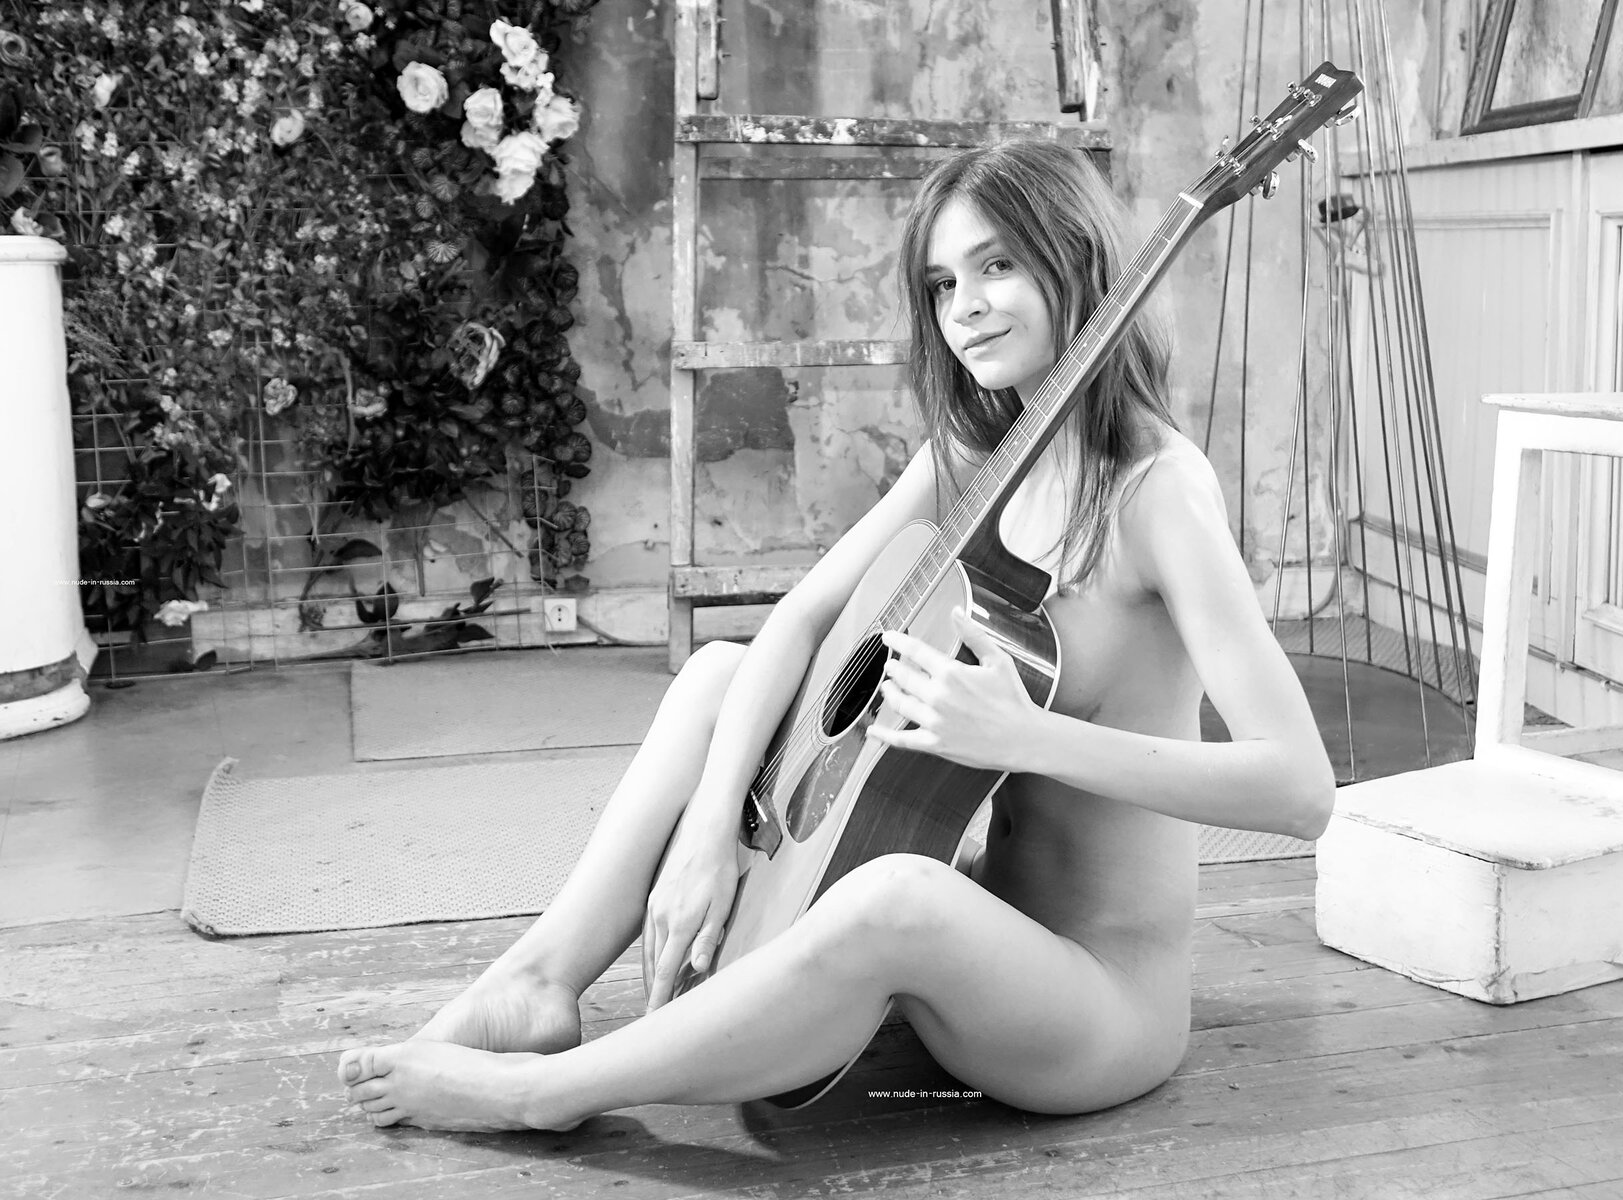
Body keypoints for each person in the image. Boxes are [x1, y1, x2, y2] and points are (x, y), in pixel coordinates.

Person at [336, 138, 1335, 1132]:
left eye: (997, 265)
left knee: (898, 893)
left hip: (1093, 1005)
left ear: (1077, 260)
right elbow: (802, 620)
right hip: (973, 938)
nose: (965, 307)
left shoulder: (1158, 492)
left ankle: (540, 1097)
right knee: (719, 675)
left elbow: (1299, 791)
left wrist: (1027, 737)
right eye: (942, 284)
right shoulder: (978, 456)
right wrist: (710, 829)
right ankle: (538, 982)